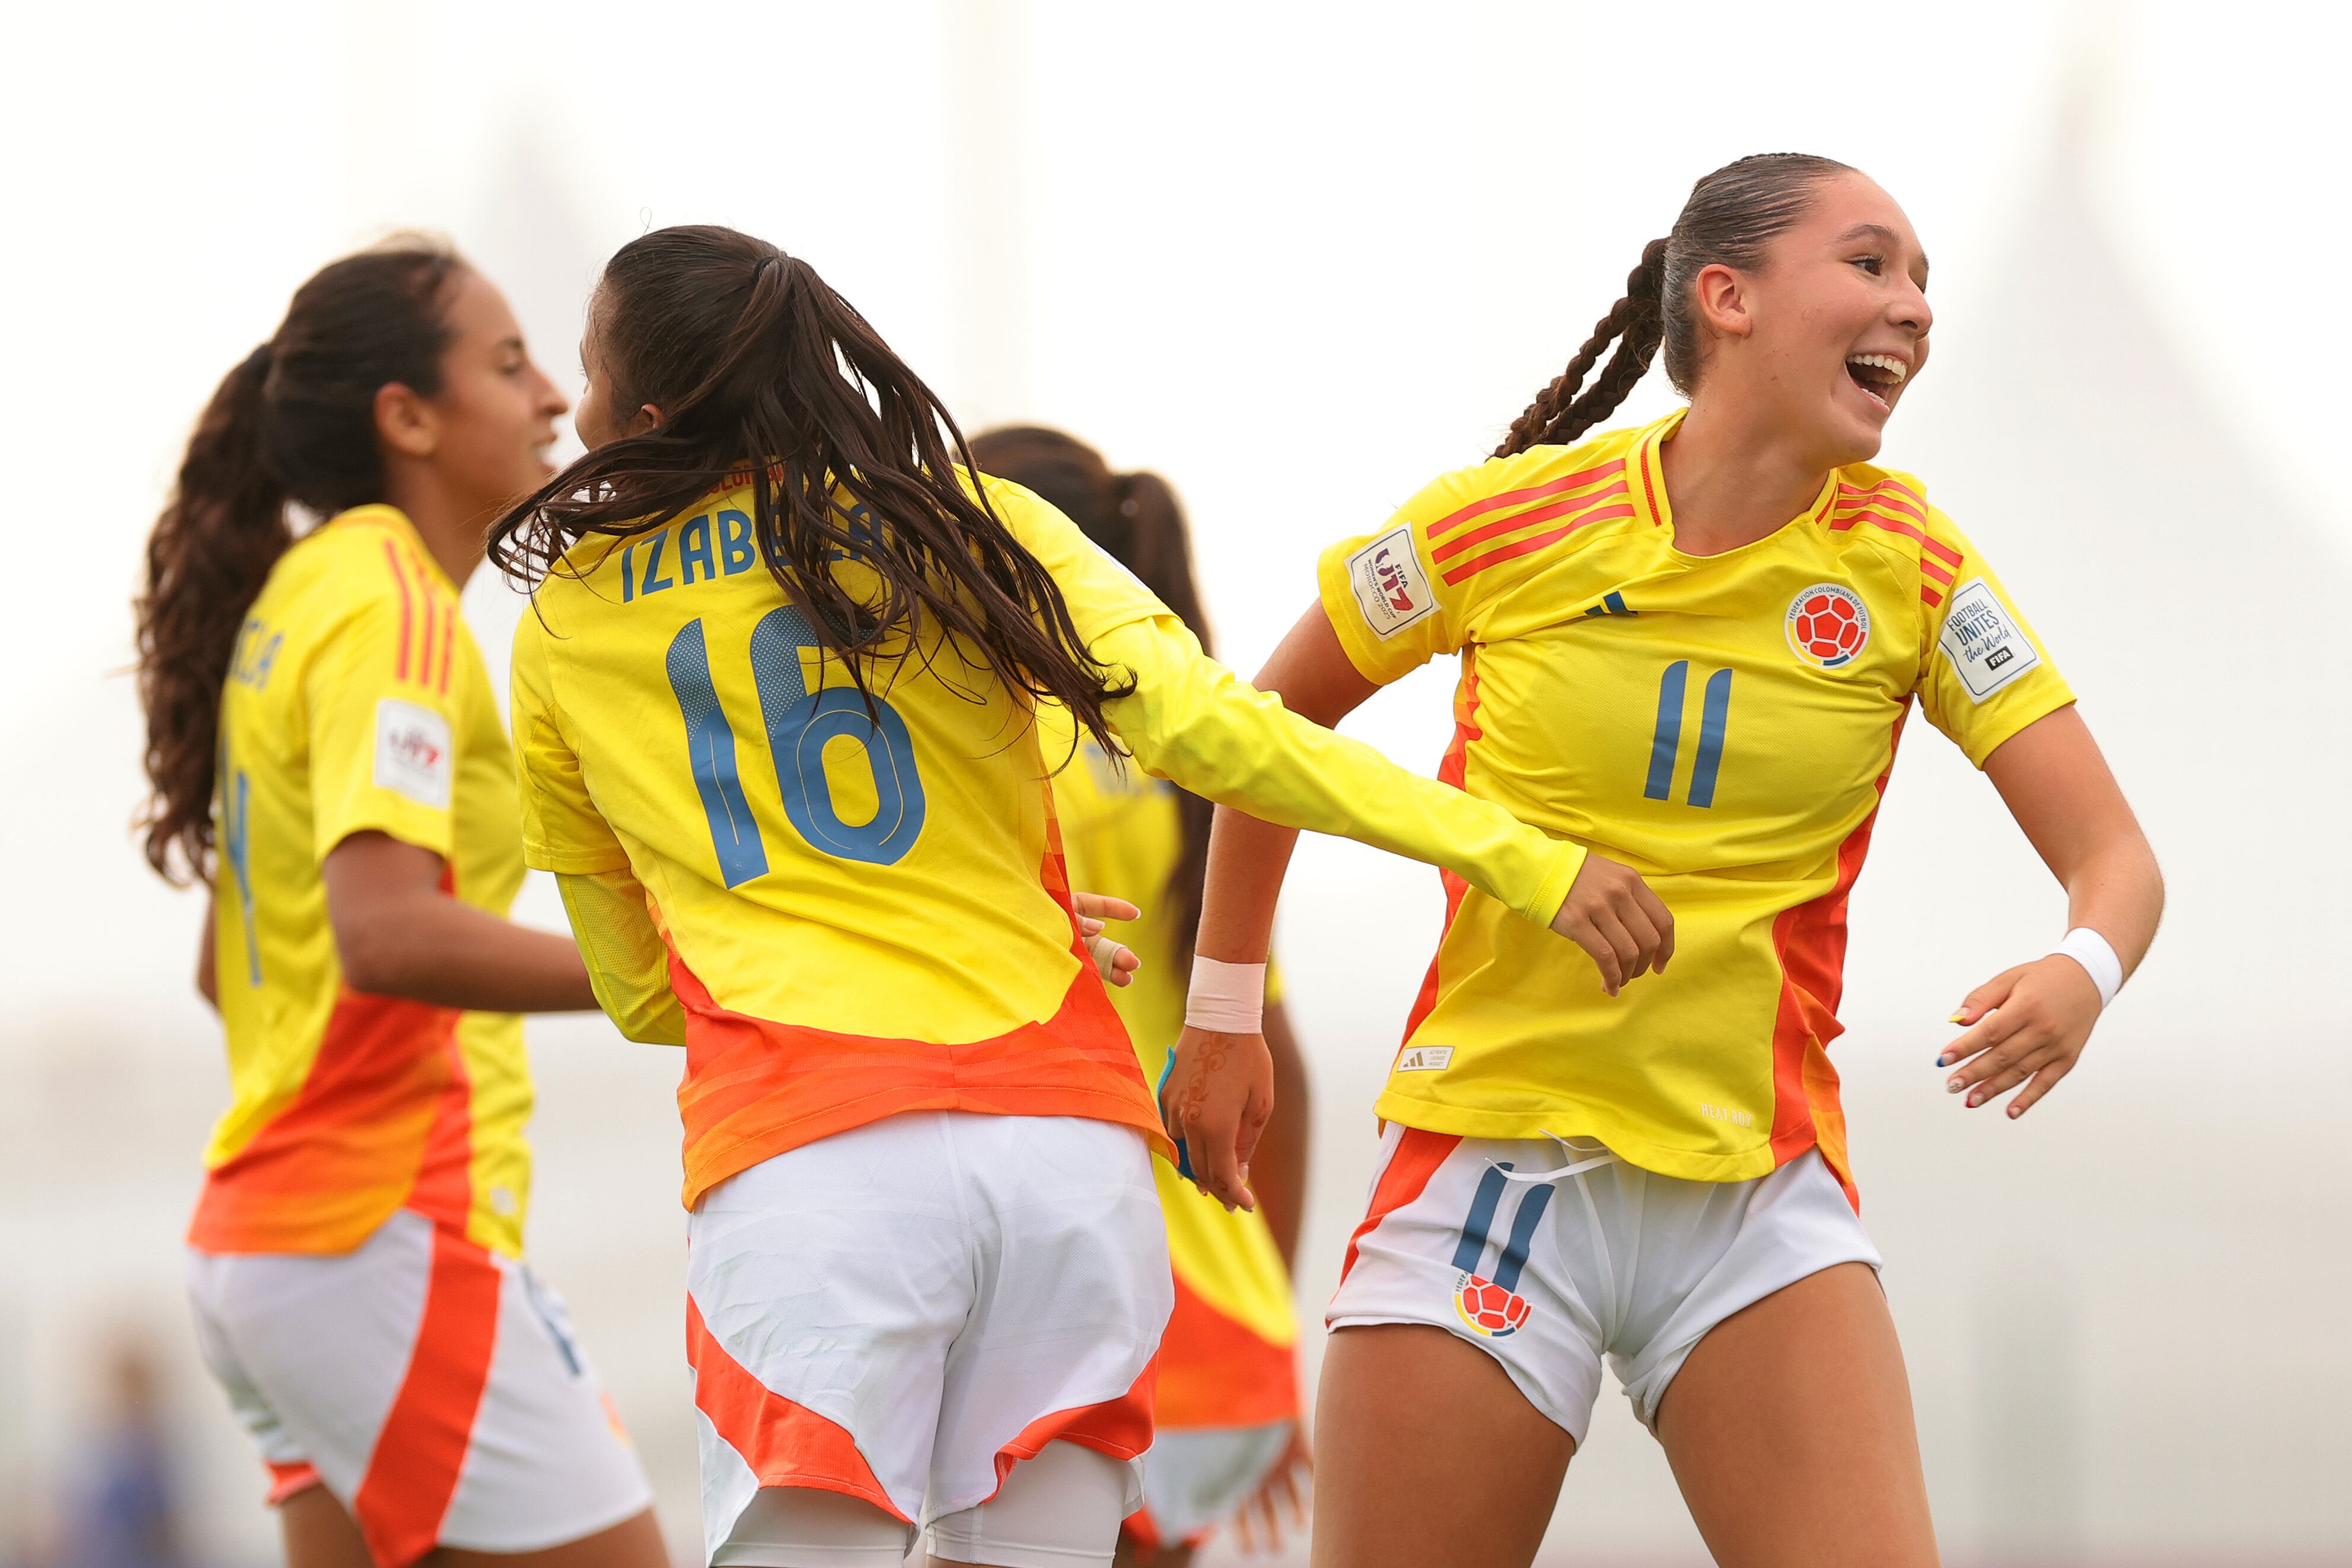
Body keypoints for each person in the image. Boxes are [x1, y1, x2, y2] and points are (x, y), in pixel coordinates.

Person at [487, 224, 1626, 1568]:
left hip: (813, 1168)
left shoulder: (566, 614)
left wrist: (830, 945)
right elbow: (1221, 731)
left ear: (654, 410)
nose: (575, 408)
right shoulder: (964, 519)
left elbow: (634, 989)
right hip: (1070, 1166)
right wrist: (1523, 854)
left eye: (589, 373)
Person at [1161, 154, 2165, 1567]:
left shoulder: (1916, 563)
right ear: (1728, 295)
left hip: (1756, 1201)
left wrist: (2084, 965)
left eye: (1927, 281)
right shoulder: (1499, 518)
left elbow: (2117, 858)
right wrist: (1222, 1014)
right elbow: (1257, 737)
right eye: (1874, 265)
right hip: (1492, 1178)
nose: (1918, 309)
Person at [133, 239, 663, 1568]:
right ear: (406, 417)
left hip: (272, 1242)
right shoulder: (395, 610)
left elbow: (229, 964)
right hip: (377, 1228)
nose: (553, 392)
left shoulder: (301, 599)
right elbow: (383, 934)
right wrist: (677, 970)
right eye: (506, 361)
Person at [968, 429, 1311, 1565]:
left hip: (1079, 1292)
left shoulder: (1016, 744)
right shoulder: (1166, 749)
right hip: (1219, 1317)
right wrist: (1272, 1314)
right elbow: (1279, 1061)